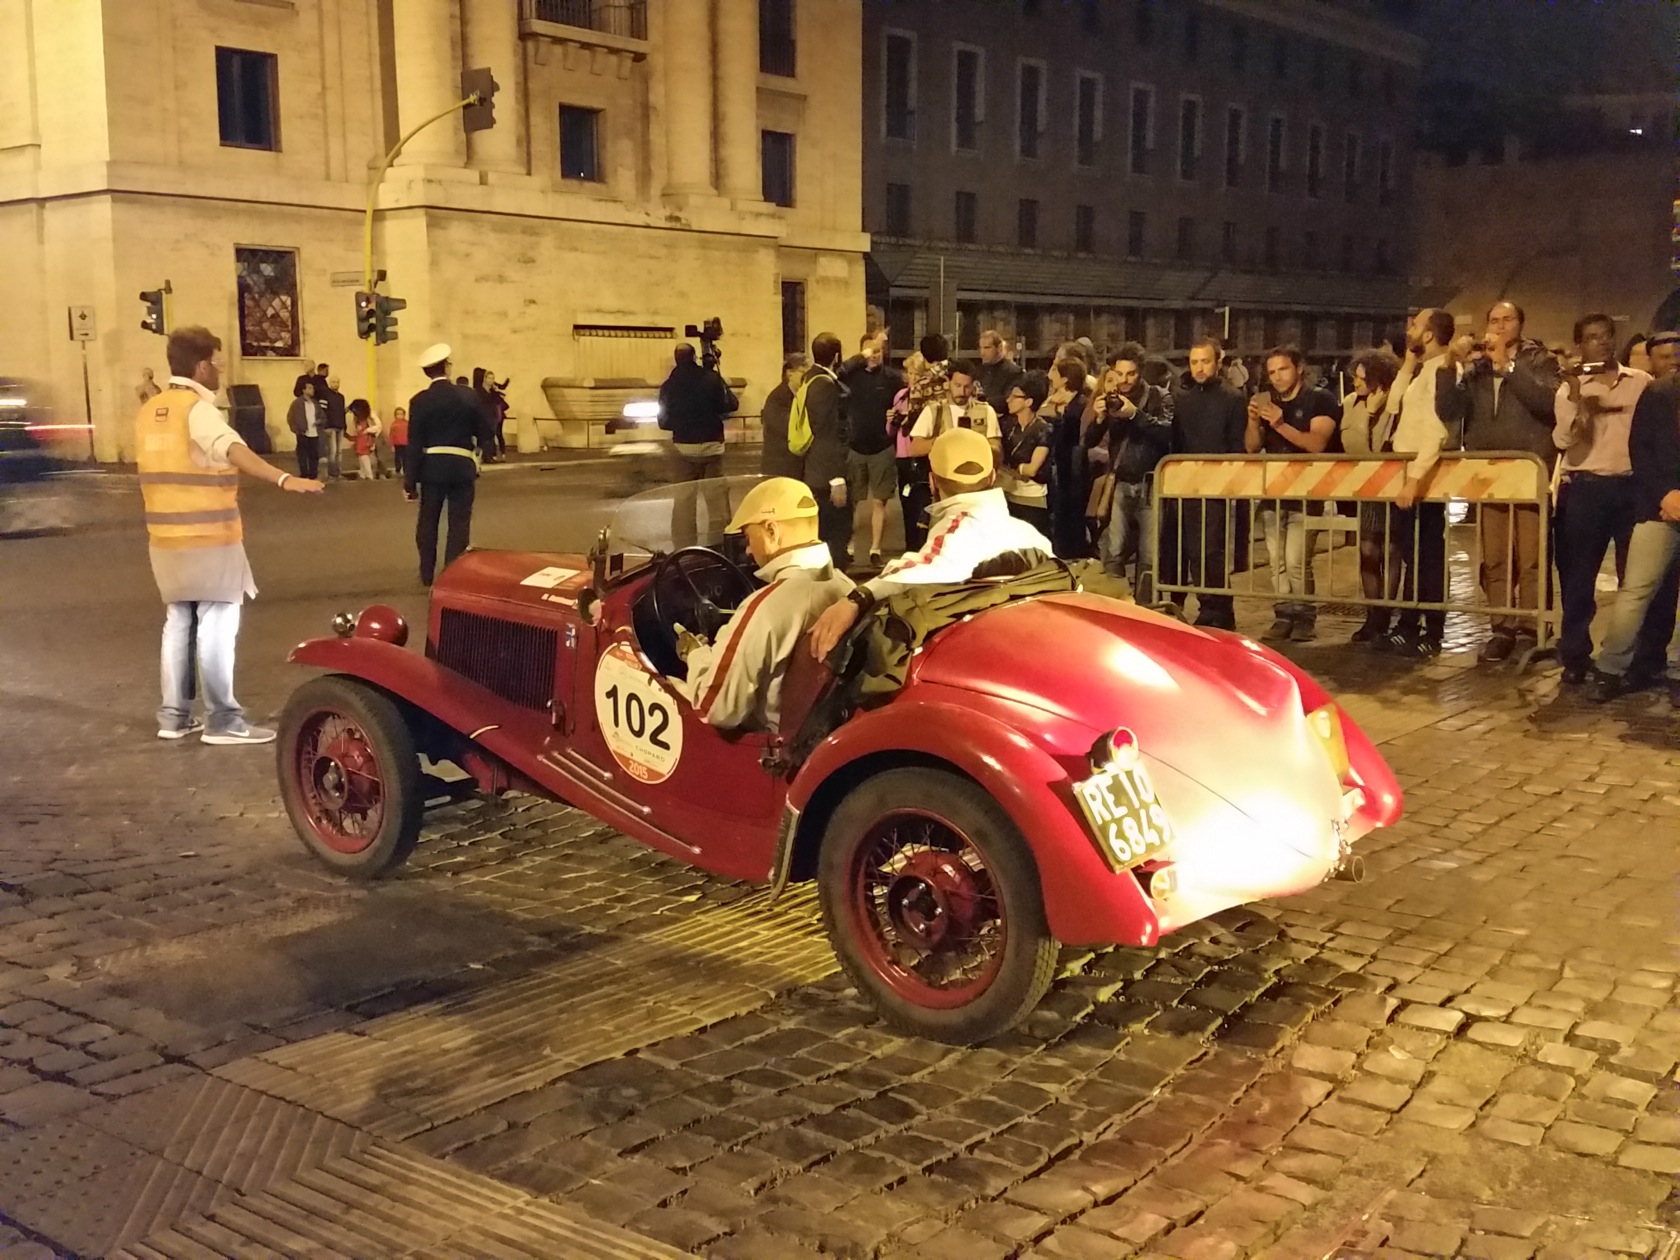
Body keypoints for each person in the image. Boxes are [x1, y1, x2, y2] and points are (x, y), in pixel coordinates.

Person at [139, 325, 322, 743]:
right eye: (217, 363)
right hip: (209, 536)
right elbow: (231, 449)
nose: (220, 371)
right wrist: (283, 479)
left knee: (179, 621)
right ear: (202, 366)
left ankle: (174, 717)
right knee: (218, 621)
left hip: (164, 539)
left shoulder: (151, 409)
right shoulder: (198, 409)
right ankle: (223, 719)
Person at [807, 427, 1055, 659]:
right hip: (1025, 650)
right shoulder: (1033, 536)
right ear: (992, 477)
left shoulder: (955, 534)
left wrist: (856, 599)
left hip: (966, 656)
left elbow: (916, 571)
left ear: (933, 481)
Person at [1436, 300, 1561, 663]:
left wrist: (1506, 364)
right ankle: (1502, 627)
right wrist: (1449, 365)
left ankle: (1532, 626)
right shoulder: (1474, 366)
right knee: (1495, 557)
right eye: (1494, 320)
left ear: (1521, 324)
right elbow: (1448, 409)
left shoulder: (1540, 360)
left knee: (1532, 556)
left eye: (1508, 320)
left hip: (1529, 468)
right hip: (1488, 472)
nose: (1501, 326)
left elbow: (1546, 402)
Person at [675, 477, 853, 730]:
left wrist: (695, 654)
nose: (748, 550)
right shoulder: (846, 587)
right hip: (820, 725)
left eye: (748, 537)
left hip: (770, 739)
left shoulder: (765, 608)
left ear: (771, 530)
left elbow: (715, 708)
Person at [1552, 313, 1654, 685]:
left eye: (1607, 336)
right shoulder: (1568, 389)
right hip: (1586, 489)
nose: (1602, 343)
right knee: (1579, 578)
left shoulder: (1640, 382)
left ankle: (1633, 656)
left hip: (1631, 489)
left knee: (1636, 579)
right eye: (1592, 337)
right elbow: (1564, 441)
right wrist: (1579, 397)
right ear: (1581, 344)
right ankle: (1576, 655)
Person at [1590, 373, 1680, 701]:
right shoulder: (1659, 393)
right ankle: (1610, 669)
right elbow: (1641, 450)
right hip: (1660, 509)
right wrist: (1664, 496)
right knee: (1636, 592)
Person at [1246, 346, 1340, 641]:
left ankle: (1304, 617)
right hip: (1273, 492)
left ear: (1299, 368)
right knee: (1277, 561)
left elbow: (1316, 444)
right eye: (1271, 372)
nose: (1277, 377)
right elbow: (1251, 447)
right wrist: (1252, 420)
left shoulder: (1320, 399)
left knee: (1298, 559)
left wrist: (1279, 424)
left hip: (1307, 493)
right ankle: (1283, 614)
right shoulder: (1269, 401)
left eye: (1283, 369)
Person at [1381, 309, 1455, 657]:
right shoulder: (1422, 369)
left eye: (1414, 324)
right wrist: (1408, 364)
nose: (1408, 328)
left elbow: (1437, 430)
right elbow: (1393, 404)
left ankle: (1432, 627)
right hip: (1408, 470)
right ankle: (1409, 623)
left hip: (1424, 475)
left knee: (1428, 555)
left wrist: (1414, 479)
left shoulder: (1443, 370)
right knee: (1411, 553)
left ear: (1429, 334)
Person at [1164, 337, 1249, 628]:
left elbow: (1236, 444)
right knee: (1182, 547)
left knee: (1210, 550)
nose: (1199, 368)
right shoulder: (1180, 395)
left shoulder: (1233, 397)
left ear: (1218, 362)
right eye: (1194, 362)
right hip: (1181, 484)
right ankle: (1185, 604)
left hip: (1215, 485)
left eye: (1205, 361)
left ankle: (1217, 609)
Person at [1091, 343, 1174, 600]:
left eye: (1131, 374)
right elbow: (1089, 440)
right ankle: (1118, 605)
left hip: (1152, 485)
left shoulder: (1160, 397)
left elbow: (1166, 434)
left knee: (1150, 556)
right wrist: (1098, 418)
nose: (1125, 381)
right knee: (1113, 551)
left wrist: (1134, 414)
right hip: (1120, 483)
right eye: (1120, 374)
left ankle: (1145, 609)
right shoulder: (1110, 398)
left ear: (1141, 373)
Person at [407, 343, 494, 586]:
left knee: (428, 520)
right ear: (447, 366)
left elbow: (414, 443)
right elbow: (486, 429)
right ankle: (451, 574)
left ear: (428, 373)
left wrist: (410, 482)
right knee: (459, 522)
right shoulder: (468, 396)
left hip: (432, 467)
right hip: (461, 465)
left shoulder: (420, 401)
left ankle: (426, 572)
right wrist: (479, 448)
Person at [1340, 348, 1402, 643]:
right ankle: (1372, 615)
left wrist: (1380, 414)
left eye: (1362, 379)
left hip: (1391, 487)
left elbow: (1381, 447)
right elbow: (1353, 445)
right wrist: (1367, 414)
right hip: (1366, 488)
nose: (1355, 384)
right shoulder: (1353, 403)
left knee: (1390, 551)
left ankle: (1385, 616)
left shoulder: (1395, 404)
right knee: (1367, 552)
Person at [659, 341, 739, 548]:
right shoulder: (710, 379)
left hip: (683, 449)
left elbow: (663, 422)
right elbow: (731, 404)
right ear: (695, 357)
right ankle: (720, 546)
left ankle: (685, 549)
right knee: (716, 503)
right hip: (712, 447)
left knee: (684, 503)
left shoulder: (669, 386)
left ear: (676, 359)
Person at [839, 331, 902, 567]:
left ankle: (876, 548)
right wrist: (858, 357)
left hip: (882, 447)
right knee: (853, 500)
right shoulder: (851, 376)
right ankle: (851, 544)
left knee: (879, 501)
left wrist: (895, 419)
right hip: (855, 447)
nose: (874, 355)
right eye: (869, 351)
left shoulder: (892, 378)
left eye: (877, 351)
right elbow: (838, 372)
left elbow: (905, 402)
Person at [798, 332, 853, 568]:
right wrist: (837, 478)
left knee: (826, 530)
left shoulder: (812, 378)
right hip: (826, 473)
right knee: (835, 531)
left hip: (818, 469)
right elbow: (828, 432)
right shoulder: (824, 385)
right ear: (837, 355)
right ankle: (834, 579)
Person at [893, 336, 951, 551]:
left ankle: (924, 548)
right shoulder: (962, 376)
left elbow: (914, 420)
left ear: (925, 356)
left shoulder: (923, 383)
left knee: (925, 502)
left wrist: (901, 421)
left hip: (928, 451)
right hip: (959, 448)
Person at [1044, 354, 1093, 558]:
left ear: (1064, 379)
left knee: (1071, 524)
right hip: (1064, 473)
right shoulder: (1065, 403)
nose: (1050, 375)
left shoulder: (1079, 406)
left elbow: (1069, 437)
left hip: (1073, 475)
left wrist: (1054, 413)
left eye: (1055, 371)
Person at [1000, 371, 1054, 535]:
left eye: (1015, 396)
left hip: (1032, 499)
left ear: (1029, 401)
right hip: (1008, 493)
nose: (1009, 400)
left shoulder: (1043, 429)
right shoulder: (1008, 425)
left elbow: (1032, 469)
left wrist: (1015, 468)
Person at [760, 353, 808, 479]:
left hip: (797, 467)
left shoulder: (803, 395)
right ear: (789, 373)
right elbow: (788, 428)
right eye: (803, 372)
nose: (806, 377)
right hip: (780, 468)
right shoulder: (777, 398)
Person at [975, 329, 1024, 414]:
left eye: (987, 348)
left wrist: (982, 402)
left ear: (999, 348)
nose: (982, 353)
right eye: (981, 348)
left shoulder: (1014, 372)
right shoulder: (979, 371)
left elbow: (1007, 401)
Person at [286, 380, 321, 480]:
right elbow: (290, 417)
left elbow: (322, 416)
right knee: (302, 455)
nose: (312, 390)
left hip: (314, 433)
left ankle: (313, 474)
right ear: (304, 390)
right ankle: (304, 473)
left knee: (314, 455)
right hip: (303, 433)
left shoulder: (315, 403)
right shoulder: (297, 403)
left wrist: (319, 421)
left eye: (312, 388)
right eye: (310, 388)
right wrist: (296, 430)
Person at [318, 374, 347, 480]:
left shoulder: (341, 397)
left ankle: (338, 472)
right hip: (330, 427)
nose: (336, 384)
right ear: (330, 383)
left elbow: (342, 412)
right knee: (332, 451)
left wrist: (344, 426)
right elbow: (322, 411)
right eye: (334, 382)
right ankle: (331, 473)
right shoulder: (325, 395)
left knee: (339, 452)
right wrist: (325, 426)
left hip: (340, 426)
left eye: (337, 382)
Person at [349, 399, 377, 481]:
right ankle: (364, 474)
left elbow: (364, 433)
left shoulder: (365, 421)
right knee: (363, 460)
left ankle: (368, 475)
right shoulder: (363, 420)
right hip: (362, 442)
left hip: (364, 443)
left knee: (364, 459)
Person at [388, 405, 411, 491]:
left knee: (405, 458)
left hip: (406, 444)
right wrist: (391, 445)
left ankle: (406, 471)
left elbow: (410, 434)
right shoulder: (393, 425)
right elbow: (391, 436)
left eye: (401, 414)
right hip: (397, 444)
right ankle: (398, 470)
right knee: (397, 458)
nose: (399, 416)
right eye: (398, 414)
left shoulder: (407, 424)